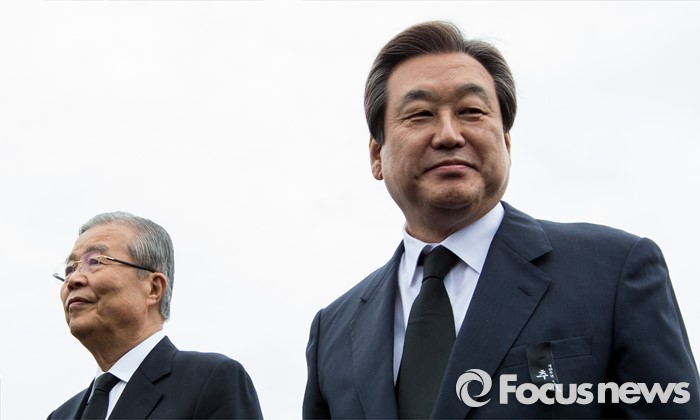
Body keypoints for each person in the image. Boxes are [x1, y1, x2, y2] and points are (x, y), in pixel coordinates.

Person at [303, 21, 699, 419]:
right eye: (420, 115)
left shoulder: (613, 273)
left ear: (506, 142)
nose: (448, 135)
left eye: (471, 112)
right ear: (376, 155)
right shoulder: (333, 332)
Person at [49, 211, 263, 419]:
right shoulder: (61, 415)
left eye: (95, 261)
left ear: (153, 288)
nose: (73, 280)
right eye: (70, 269)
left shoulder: (210, 380)